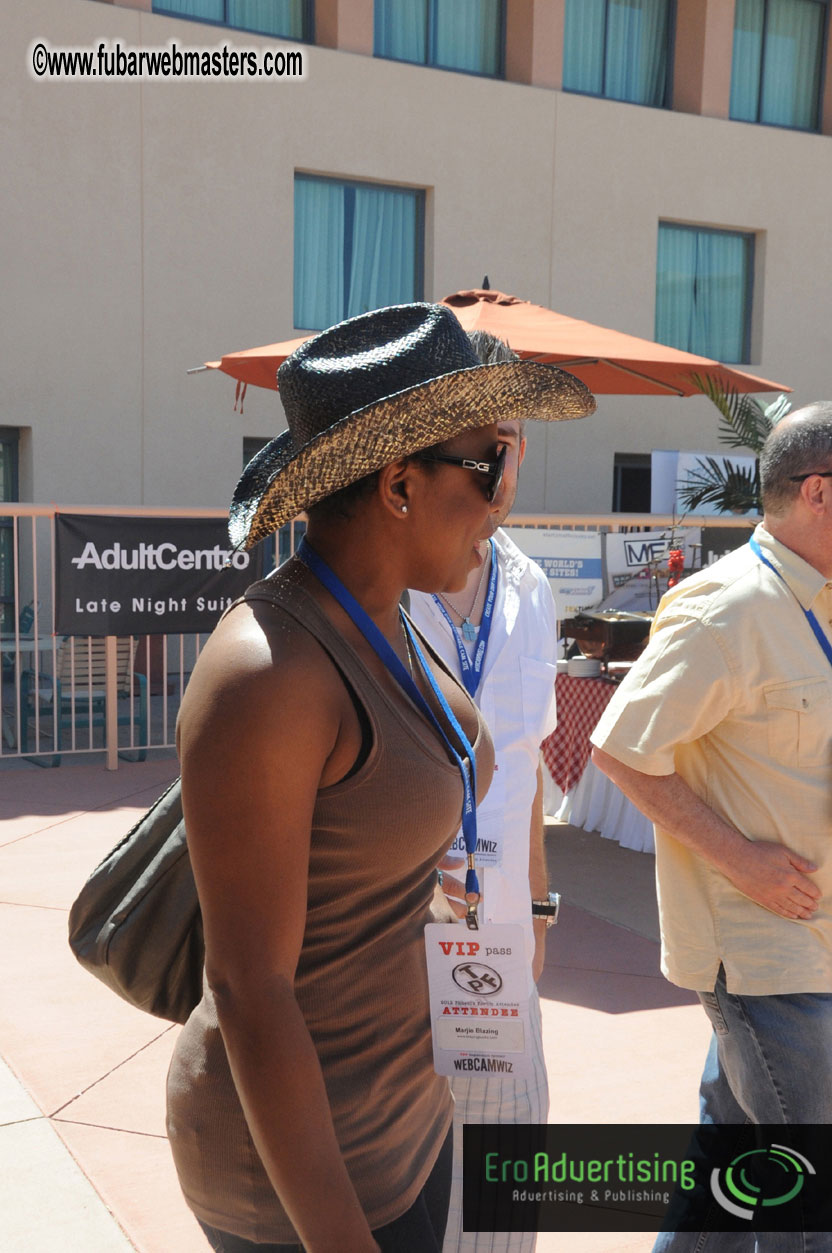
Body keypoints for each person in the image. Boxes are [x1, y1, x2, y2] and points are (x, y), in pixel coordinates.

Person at [165, 302, 595, 1253]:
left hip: (408, 1122)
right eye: (488, 464)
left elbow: (458, 770)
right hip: (303, 1180)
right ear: (400, 484)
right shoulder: (270, 670)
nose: (501, 498)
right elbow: (249, 989)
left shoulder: (389, 615)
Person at [590, 404, 832, 1246]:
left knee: (727, 1190)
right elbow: (620, 750)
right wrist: (744, 861)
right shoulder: (721, 609)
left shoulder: (823, 603)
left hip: (814, 946)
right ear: (821, 495)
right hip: (766, 955)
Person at [408, 331, 560, 1253]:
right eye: (479, 447)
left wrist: (538, 908)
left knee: (500, 1224)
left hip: (499, 965)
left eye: (508, 443)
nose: (498, 471)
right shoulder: (356, 598)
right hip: (379, 983)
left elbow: (530, 766)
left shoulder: (531, 587)